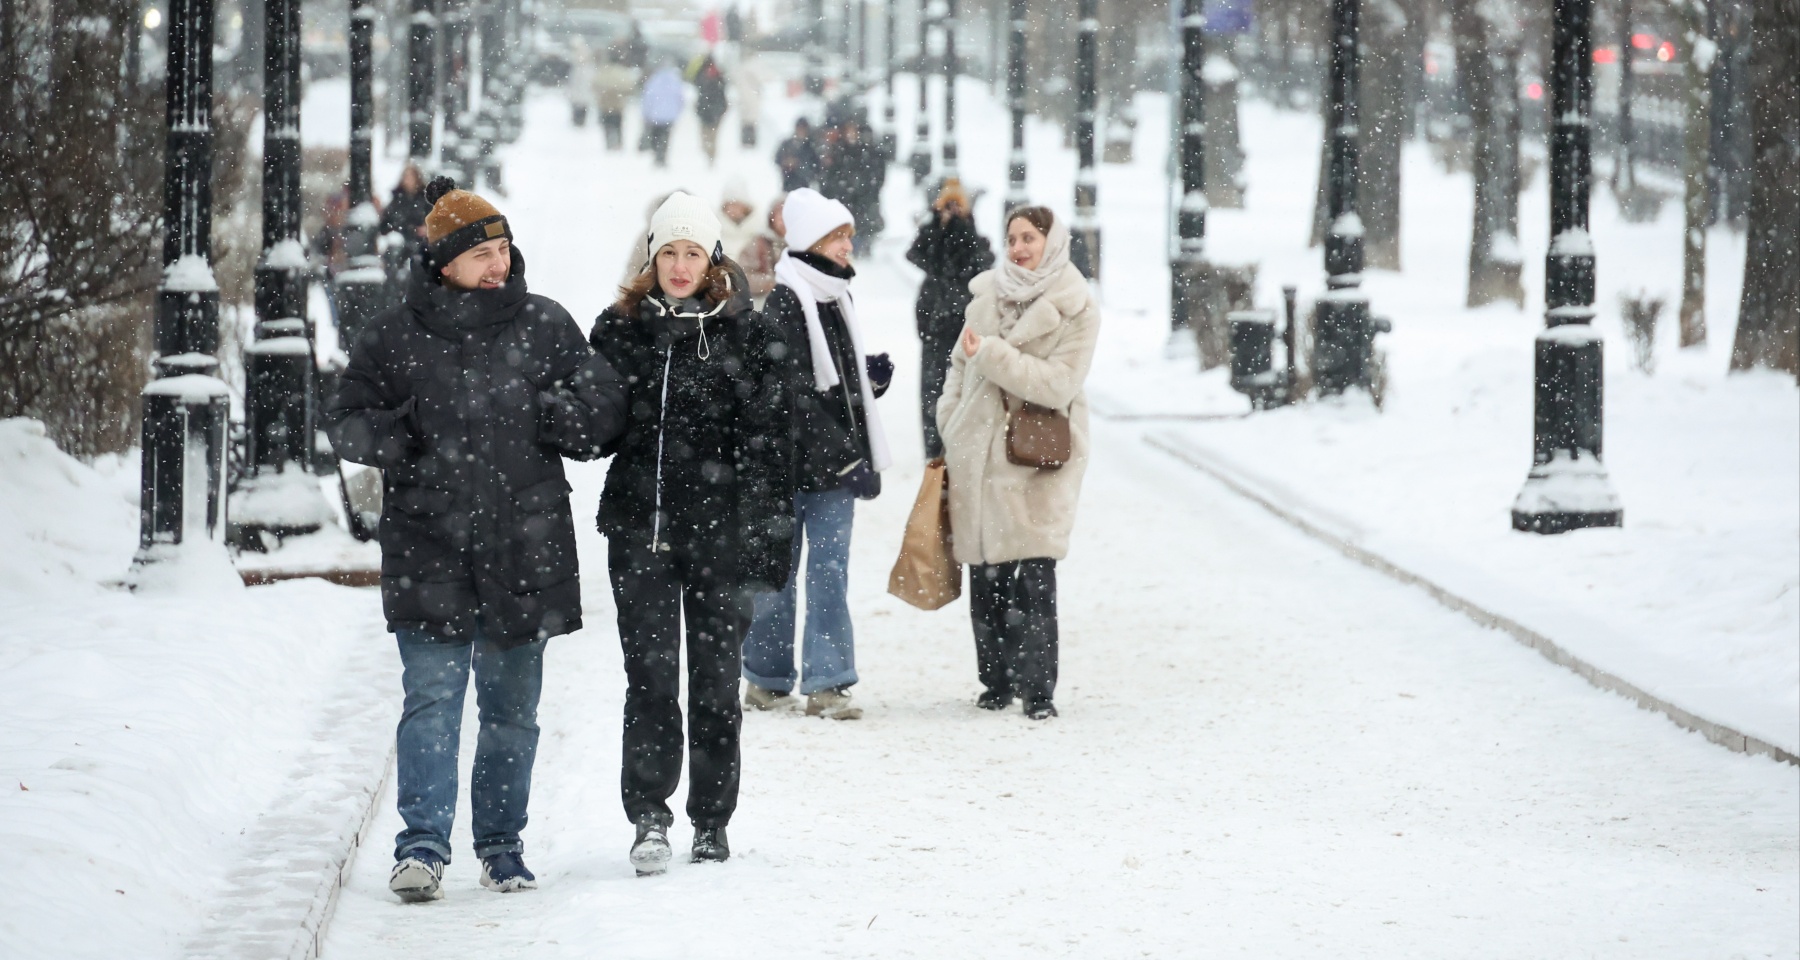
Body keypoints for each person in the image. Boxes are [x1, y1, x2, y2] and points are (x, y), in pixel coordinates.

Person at [326, 177, 628, 901]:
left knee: (511, 709)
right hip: (427, 543)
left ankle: (500, 845)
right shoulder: (393, 333)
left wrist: (557, 417)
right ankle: (423, 846)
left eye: (504, 250)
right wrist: (407, 437)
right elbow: (349, 419)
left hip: (525, 545)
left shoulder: (545, 325)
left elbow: (606, 408)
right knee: (431, 698)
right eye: (483, 253)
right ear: (445, 261)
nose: (499, 265)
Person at [588, 192, 793, 874]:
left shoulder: (744, 331)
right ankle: (649, 815)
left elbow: (767, 441)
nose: (680, 265)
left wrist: (766, 533)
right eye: (669, 251)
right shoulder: (620, 330)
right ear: (652, 257)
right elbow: (597, 430)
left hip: (720, 536)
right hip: (641, 531)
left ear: (713, 259)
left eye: (693, 252)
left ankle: (712, 820)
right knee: (649, 679)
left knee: (713, 682)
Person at [935, 206, 1099, 721]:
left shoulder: (1076, 307)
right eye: (1012, 239)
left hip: (1037, 457)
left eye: (1029, 237)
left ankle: (1038, 688)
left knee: (1034, 572)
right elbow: (957, 364)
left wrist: (993, 356)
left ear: (1052, 242)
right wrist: (951, 418)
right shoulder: (985, 297)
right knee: (987, 573)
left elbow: (1058, 383)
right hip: (978, 452)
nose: (1019, 248)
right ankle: (996, 680)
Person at [743, 188, 893, 721]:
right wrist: (846, 456)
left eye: (849, 234)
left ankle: (826, 682)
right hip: (787, 467)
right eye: (839, 236)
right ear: (813, 241)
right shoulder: (788, 299)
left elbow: (827, 380)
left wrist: (864, 380)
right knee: (779, 573)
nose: (850, 244)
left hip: (828, 466)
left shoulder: (833, 295)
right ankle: (766, 678)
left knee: (829, 570)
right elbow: (793, 392)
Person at [906, 177, 993, 458]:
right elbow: (916, 254)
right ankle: (934, 446)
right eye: (948, 205)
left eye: (958, 205)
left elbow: (981, 261)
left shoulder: (972, 235)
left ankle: (961, 443)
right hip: (935, 319)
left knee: (966, 384)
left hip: (964, 320)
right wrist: (936, 223)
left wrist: (963, 224)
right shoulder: (933, 234)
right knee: (932, 387)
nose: (953, 210)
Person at [819, 116, 884, 254]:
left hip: (862, 197)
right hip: (846, 198)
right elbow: (831, 175)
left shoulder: (866, 151)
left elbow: (876, 173)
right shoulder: (839, 150)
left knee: (862, 225)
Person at [737, 195, 785, 307]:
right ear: (771, 218)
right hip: (764, 307)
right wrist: (772, 283)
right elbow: (741, 277)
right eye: (780, 215)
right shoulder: (759, 244)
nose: (784, 220)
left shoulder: (806, 246)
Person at [591, 47, 637, 151]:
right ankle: (618, 144)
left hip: (605, 104)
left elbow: (594, 84)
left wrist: (603, 92)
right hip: (618, 105)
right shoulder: (622, 73)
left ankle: (609, 144)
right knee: (618, 126)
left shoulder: (603, 71)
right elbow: (630, 87)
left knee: (607, 126)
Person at [640, 63, 685, 167]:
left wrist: (646, 113)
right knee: (665, 136)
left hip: (655, 115)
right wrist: (678, 111)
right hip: (670, 116)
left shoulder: (653, 81)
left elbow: (647, 98)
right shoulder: (675, 82)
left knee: (656, 135)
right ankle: (662, 154)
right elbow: (680, 98)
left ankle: (657, 154)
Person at [688, 52, 730, 163]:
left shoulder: (702, 75)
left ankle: (707, 149)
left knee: (705, 132)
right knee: (714, 133)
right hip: (717, 109)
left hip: (704, 108)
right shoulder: (719, 75)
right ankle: (711, 153)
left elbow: (696, 84)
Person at [775, 118, 820, 192]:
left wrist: (798, 165)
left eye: (803, 129)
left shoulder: (810, 147)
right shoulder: (787, 144)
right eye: (799, 128)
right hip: (787, 184)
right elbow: (777, 159)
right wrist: (786, 163)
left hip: (803, 187)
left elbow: (815, 168)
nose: (801, 131)